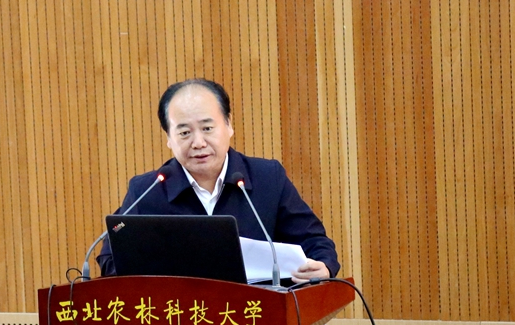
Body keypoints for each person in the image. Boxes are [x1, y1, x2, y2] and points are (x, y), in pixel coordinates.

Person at [97, 78, 339, 283]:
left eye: (207, 128)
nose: (198, 143)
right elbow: (110, 259)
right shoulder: (147, 191)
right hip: (179, 316)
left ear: (228, 125)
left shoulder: (267, 178)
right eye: (184, 133)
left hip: (257, 314)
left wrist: (324, 266)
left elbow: (315, 242)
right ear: (169, 138)